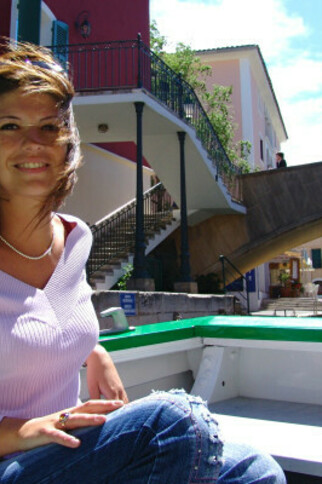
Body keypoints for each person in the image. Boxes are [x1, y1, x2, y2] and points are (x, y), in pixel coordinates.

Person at [0, 39, 286, 483]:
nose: (33, 143)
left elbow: (42, 316)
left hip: (66, 451)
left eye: (49, 127)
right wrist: (23, 430)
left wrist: (92, 350)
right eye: (10, 126)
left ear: (69, 143)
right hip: (14, 461)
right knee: (172, 421)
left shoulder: (76, 240)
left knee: (256, 470)